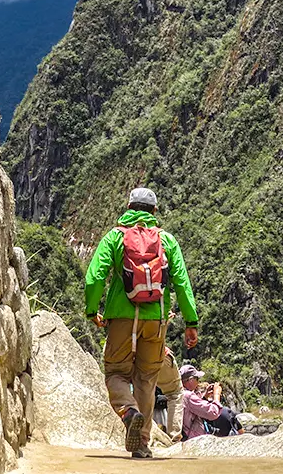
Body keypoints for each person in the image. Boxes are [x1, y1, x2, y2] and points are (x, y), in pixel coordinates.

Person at [85, 187, 199, 459]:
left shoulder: (115, 237)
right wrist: (191, 322)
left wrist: (92, 310)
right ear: (154, 211)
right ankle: (142, 444)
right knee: (146, 379)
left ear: (128, 208)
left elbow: (94, 277)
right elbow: (182, 283)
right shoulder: (166, 240)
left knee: (116, 373)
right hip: (155, 321)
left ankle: (128, 410)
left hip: (121, 317)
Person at [179, 364, 244, 439]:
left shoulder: (179, 394)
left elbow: (193, 409)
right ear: (190, 380)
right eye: (197, 378)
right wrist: (217, 394)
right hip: (194, 438)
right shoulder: (188, 396)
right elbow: (213, 413)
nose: (198, 381)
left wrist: (204, 397)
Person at [156, 347, 184, 441]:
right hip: (157, 352)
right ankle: (174, 437)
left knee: (143, 391)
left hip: (132, 356)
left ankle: (143, 435)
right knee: (175, 394)